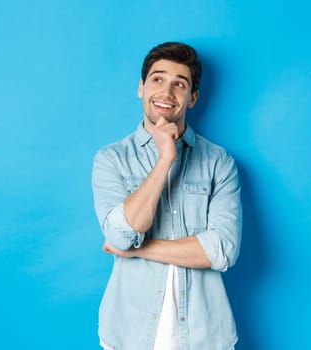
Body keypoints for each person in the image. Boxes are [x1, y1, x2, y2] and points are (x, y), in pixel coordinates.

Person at [91, 42, 242, 350]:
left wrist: (138, 249)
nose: (166, 92)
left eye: (179, 84)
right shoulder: (111, 159)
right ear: (141, 87)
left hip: (205, 337)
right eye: (157, 79)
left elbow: (222, 250)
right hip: (128, 334)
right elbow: (121, 236)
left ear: (192, 98)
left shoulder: (218, 162)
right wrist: (164, 160)